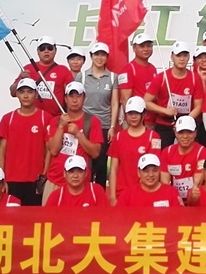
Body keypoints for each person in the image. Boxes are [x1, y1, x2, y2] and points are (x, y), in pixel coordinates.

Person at [0, 78, 50, 207]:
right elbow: (2, 150)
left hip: (35, 180)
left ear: (36, 94)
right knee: (12, 216)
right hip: (12, 179)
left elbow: (49, 150)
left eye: (29, 92)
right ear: (17, 94)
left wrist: (44, 175)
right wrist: (2, 178)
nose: (25, 95)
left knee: (34, 216)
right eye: (22, 92)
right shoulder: (8, 118)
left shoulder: (45, 118)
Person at [42, 83, 102, 192]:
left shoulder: (93, 121)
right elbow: (53, 150)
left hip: (81, 183)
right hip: (55, 181)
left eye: (78, 96)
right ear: (65, 99)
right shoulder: (55, 121)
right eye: (71, 96)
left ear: (84, 98)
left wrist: (78, 134)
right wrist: (61, 127)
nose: (74, 100)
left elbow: (95, 153)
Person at [144, 44, 205, 148]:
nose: (182, 59)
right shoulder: (161, 78)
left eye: (185, 55)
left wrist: (186, 121)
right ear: (172, 57)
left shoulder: (195, 79)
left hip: (187, 124)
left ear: (189, 57)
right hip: (164, 124)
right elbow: (146, 102)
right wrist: (165, 111)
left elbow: (198, 106)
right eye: (178, 55)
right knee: (160, 153)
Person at [107, 97, 161, 204]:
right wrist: (112, 196)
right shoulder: (119, 137)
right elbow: (113, 169)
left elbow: (154, 168)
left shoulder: (153, 137)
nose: (133, 117)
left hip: (144, 193)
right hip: (122, 193)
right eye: (130, 113)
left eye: (137, 113)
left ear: (144, 114)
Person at [81, 42, 122, 186]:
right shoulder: (82, 76)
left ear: (107, 57)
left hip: (104, 125)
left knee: (101, 163)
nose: (99, 58)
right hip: (86, 125)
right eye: (96, 54)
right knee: (85, 161)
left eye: (103, 55)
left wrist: (112, 126)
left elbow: (115, 103)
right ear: (91, 56)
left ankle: (99, 194)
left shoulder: (112, 77)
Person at [9, 36, 73, 117]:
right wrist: (20, 80)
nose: (46, 51)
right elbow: (13, 93)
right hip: (32, 117)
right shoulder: (28, 68)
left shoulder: (63, 70)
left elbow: (71, 96)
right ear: (38, 51)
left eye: (50, 48)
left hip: (55, 118)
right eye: (42, 48)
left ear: (55, 50)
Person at [159, 116, 206, 203]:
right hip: (173, 199)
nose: (185, 136)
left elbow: (198, 181)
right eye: (181, 132)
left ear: (195, 133)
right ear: (175, 132)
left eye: (189, 132)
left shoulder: (202, 152)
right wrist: (175, 199)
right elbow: (165, 182)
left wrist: (191, 197)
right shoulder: (167, 152)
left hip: (195, 199)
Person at [116, 154, 183, 208]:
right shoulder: (127, 195)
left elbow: (180, 216)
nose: (151, 174)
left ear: (159, 171)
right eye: (146, 171)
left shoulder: (171, 193)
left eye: (155, 170)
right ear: (138, 172)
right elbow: (118, 217)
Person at [43, 155, 108, 208]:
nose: (75, 175)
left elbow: (105, 216)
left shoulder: (96, 191)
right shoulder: (56, 196)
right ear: (64, 174)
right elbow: (47, 218)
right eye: (71, 172)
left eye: (80, 171)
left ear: (86, 173)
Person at [117, 33, 159, 112]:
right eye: (142, 46)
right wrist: (131, 118)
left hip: (153, 116)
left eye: (149, 46)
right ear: (134, 48)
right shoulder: (128, 70)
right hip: (138, 117)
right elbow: (125, 100)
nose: (146, 49)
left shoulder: (153, 68)